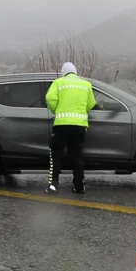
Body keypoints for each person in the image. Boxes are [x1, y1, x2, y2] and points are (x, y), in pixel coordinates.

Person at [44, 62, 96, 195]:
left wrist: (56, 110)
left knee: (56, 156)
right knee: (77, 156)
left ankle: (53, 187)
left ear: (63, 72)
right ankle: (79, 186)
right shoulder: (86, 84)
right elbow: (91, 103)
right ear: (75, 72)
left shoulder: (58, 82)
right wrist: (80, 111)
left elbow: (50, 98)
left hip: (61, 125)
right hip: (79, 126)